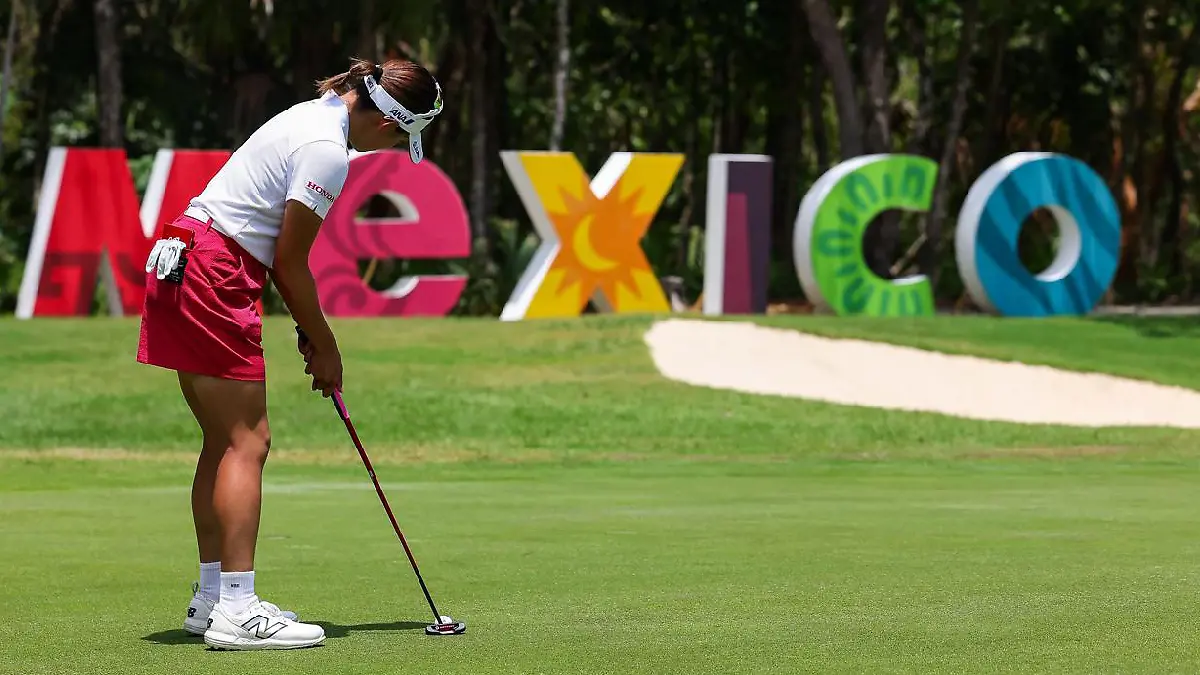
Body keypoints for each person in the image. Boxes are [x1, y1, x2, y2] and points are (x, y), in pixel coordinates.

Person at [136, 57, 443, 651]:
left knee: (223, 441)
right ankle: (238, 608)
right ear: (387, 124)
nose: (388, 149)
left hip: (185, 255)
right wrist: (326, 345)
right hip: (213, 269)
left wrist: (307, 326)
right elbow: (290, 262)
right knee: (247, 442)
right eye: (398, 139)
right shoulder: (327, 150)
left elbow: (277, 257)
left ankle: (212, 599)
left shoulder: (312, 114)